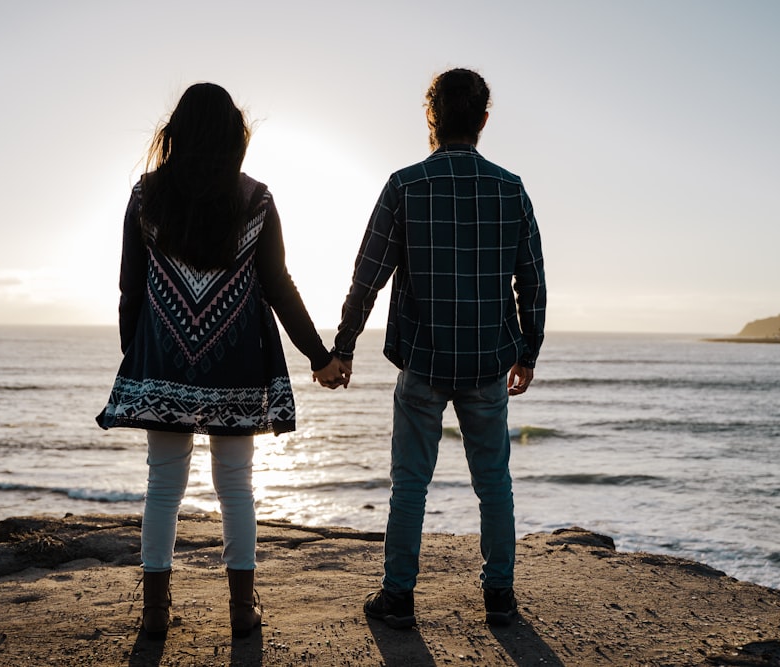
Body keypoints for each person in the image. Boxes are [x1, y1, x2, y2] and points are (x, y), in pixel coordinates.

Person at [96, 82, 348, 639]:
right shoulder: (256, 198)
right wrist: (321, 356)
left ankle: (156, 614)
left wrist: (135, 357)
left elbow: (129, 290)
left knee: (163, 486)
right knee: (236, 485)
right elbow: (279, 285)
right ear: (235, 136)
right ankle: (240, 611)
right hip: (235, 360)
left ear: (177, 133)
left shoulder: (146, 196)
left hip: (162, 360)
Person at [331, 68, 547, 629]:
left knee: (410, 484)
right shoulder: (511, 188)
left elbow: (367, 277)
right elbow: (533, 280)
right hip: (486, 363)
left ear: (431, 117)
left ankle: (398, 597)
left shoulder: (404, 186)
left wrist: (344, 345)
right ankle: (499, 596)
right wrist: (528, 352)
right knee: (494, 483)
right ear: (482, 121)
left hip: (423, 363)